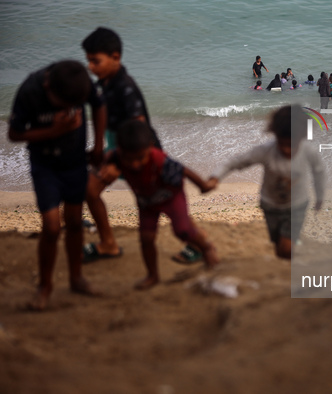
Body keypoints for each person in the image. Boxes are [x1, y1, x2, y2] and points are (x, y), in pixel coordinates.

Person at [8, 60, 106, 310]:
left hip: (74, 163)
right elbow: (15, 134)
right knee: (51, 227)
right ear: (49, 88)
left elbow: (99, 105)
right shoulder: (30, 90)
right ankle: (45, 286)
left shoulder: (78, 82)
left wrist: (97, 146)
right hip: (45, 165)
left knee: (74, 221)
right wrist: (54, 130)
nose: (71, 109)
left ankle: (76, 278)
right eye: (65, 105)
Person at [101, 119, 220, 289]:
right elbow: (102, 164)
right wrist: (106, 168)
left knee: (183, 230)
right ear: (119, 150)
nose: (135, 164)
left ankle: (207, 248)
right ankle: (152, 275)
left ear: (150, 147)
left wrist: (203, 185)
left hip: (172, 197)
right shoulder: (115, 157)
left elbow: (183, 170)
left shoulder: (160, 160)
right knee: (146, 238)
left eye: (140, 158)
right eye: (129, 159)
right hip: (146, 203)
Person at [82, 27, 163, 262]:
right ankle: (108, 243)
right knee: (90, 189)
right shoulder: (103, 84)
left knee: (157, 203)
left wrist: (117, 161)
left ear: (115, 57)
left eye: (95, 61)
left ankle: (196, 241)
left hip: (140, 152)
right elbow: (101, 116)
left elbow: (139, 128)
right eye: (88, 61)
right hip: (116, 150)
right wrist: (98, 151)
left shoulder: (125, 88)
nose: (90, 67)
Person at [207, 105, 326, 259]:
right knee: (278, 245)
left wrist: (320, 196)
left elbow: (319, 172)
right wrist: (215, 177)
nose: (286, 150)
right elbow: (235, 162)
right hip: (270, 205)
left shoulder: (308, 151)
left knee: (286, 247)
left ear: (302, 137)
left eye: (291, 145)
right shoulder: (266, 151)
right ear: (275, 135)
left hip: (296, 205)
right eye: (282, 144)